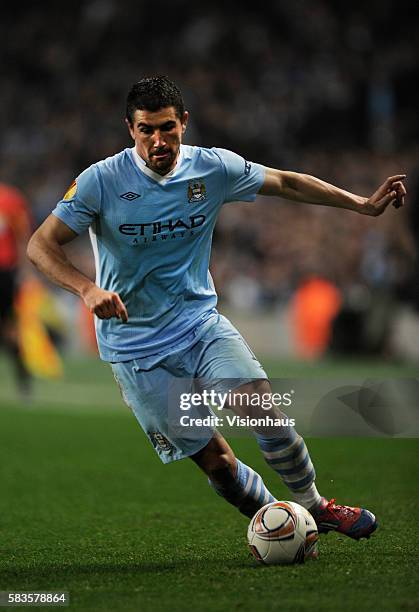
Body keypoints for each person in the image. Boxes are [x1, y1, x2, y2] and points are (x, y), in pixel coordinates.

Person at [27, 76, 406, 540]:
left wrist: (362, 204)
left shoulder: (213, 169)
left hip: (200, 325)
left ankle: (314, 506)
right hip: (136, 349)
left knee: (264, 409)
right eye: (147, 130)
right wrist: (86, 289)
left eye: (167, 128)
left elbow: (286, 182)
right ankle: (286, 525)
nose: (158, 141)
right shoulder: (100, 181)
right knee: (220, 464)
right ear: (130, 129)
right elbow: (41, 244)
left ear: (184, 123)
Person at [0, 183, 33, 396]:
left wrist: (26, 272)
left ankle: (23, 380)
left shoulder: (10, 199)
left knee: (10, 328)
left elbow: (24, 237)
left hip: (4, 272)